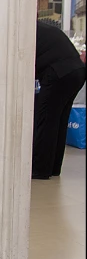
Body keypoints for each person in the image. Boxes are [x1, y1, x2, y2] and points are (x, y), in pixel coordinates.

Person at [32, 21, 87, 179]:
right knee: (59, 121)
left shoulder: (25, 32)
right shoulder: (43, 29)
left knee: (46, 120)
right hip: (77, 71)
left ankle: (40, 169)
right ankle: (54, 167)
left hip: (59, 72)